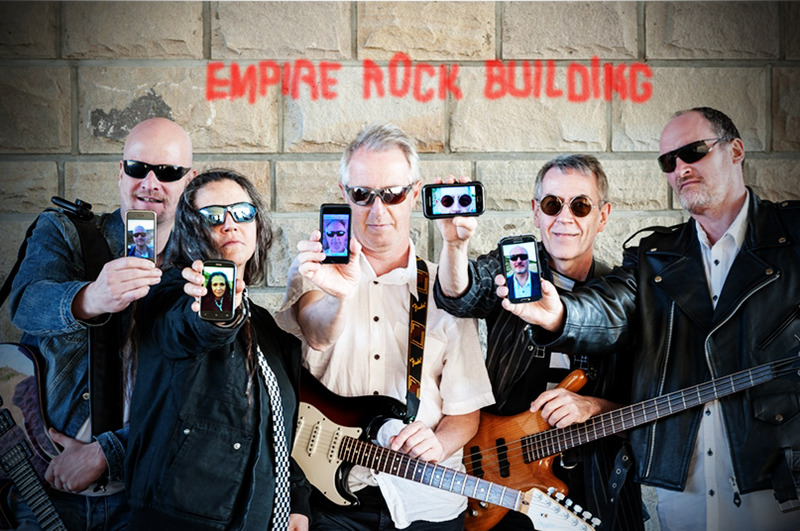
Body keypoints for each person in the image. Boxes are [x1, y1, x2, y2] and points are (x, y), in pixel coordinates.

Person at [511, 108, 800, 530]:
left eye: (694, 152)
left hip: (779, 479)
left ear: (736, 150)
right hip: (676, 486)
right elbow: (609, 308)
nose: (681, 168)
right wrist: (560, 314)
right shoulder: (654, 257)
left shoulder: (792, 236)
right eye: (669, 161)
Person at [276, 122, 494, 530]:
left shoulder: (447, 285)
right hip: (328, 499)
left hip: (425, 500)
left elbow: (467, 410)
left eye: (392, 194)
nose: (378, 211)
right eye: (362, 195)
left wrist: (438, 442)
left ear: (415, 193)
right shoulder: (313, 271)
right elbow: (317, 333)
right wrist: (340, 293)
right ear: (343, 194)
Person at [433, 154, 644, 530]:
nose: (565, 218)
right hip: (502, 469)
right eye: (552, 204)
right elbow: (458, 296)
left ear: (604, 215)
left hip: (594, 483)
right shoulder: (511, 270)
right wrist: (454, 245)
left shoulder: (623, 294)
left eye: (580, 206)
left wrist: (593, 406)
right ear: (535, 212)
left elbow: (645, 409)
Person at [7, 117, 195, 530]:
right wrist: (90, 297)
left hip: (146, 490)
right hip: (49, 479)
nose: (150, 183)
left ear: (188, 181)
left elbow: (201, 399)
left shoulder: (200, 272)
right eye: (136, 168)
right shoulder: (67, 232)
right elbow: (24, 305)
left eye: (167, 172)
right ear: (119, 171)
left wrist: (108, 453)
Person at [125, 170, 311, 530]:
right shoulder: (168, 296)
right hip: (182, 517)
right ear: (191, 229)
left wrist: (296, 499)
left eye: (242, 212)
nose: (230, 224)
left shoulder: (264, 324)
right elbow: (194, 328)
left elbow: (272, 427)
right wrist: (218, 316)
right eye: (213, 216)